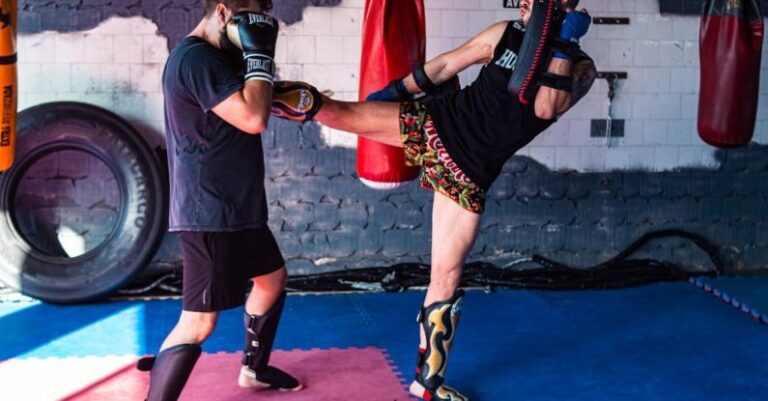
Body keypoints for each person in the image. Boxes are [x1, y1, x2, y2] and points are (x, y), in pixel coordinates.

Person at [271, 1, 595, 400]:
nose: (525, 2)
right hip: (440, 123)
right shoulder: (504, 33)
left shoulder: (580, 68)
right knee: (337, 110)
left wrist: (563, 41)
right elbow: (443, 67)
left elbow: (546, 107)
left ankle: (426, 385)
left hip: (471, 171)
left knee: (446, 277)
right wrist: (393, 93)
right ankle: (257, 89)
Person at [136, 1, 303, 400]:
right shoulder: (196, 59)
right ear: (225, 13)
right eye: (249, 22)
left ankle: (254, 371)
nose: (253, 32)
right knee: (198, 322)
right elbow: (252, 118)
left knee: (272, 279)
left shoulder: (219, 57)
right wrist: (261, 55)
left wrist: (292, 96)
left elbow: (251, 100)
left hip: (238, 204)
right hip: (209, 212)